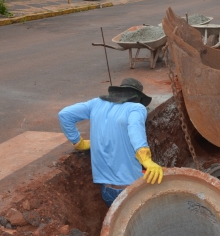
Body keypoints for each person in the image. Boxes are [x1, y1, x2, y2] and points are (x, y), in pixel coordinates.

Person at [58, 78, 164, 207]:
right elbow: (135, 129)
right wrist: (146, 159)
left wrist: (77, 141)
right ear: (138, 97)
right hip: (129, 190)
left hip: (107, 191)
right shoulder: (136, 108)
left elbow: (64, 115)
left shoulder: (95, 103)